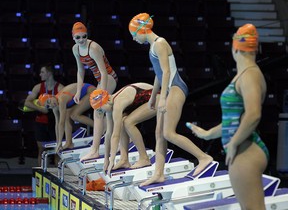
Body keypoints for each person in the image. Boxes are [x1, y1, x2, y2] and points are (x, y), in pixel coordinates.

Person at [188, 24, 269, 210]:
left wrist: (233, 144)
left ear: (235, 48)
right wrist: (208, 134)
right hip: (244, 147)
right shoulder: (245, 74)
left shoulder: (250, 75)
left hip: (245, 149)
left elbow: (254, 114)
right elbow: (234, 120)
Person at [128, 13, 213, 186]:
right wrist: (153, 97)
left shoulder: (160, 43)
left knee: (168, 133)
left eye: (134, 35)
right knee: (159, 133)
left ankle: (204, 158)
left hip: (175, 88)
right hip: (167, 89)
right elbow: (159, 75)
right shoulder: (153, 46)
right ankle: (158, 174)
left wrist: (163, 98)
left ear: (141, 30)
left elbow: (166, 72)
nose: (134, 39)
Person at [83, 82, 159, 175]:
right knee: (123, 122)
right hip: (144, 100)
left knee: (128, 123)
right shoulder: (109, 104)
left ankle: (144, 158)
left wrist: (112, 160)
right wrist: (106, 159)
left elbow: (115, 135)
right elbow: (108, 134)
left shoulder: (118, 103)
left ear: (106, 101)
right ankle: (124, 160)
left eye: (100, 109)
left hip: (157, 98)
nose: (101, 112)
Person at [71, 22, 118, 158]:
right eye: (78, 37)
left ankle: (95, 150)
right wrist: (78, 91)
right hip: (100, 80)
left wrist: (101, 93)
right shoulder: (76, 49)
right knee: (107, 112)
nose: (81, 40)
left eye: (84, 36)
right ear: (73, 37)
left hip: (108, 78)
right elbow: (80, 71)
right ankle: (120, 139)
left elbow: (103, 72)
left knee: (98, 110)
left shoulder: (94, 48)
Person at [38, 83, 96, 153]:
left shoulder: (61, 99)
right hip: (85, 93)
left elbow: (61, 123)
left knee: (74, 115)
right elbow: (57, 124)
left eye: (49, 101)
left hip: (91, 91)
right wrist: (57, 142)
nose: (51, 105)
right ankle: (69, 143)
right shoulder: (54, 106)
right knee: (68, 114)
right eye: (48, 106)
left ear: (52, 96)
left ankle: (100, 129)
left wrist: (60, 142)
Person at [24, 65, 64, 166]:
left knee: (57, 151)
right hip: (40, 122)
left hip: (55, 123)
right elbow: (27, 102)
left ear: (49, 73)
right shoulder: (38, 87)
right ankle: (41, 175)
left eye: (42, 72)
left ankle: (58, 176)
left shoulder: (60, 88)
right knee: (41, 150)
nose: (40, 74)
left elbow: (66, 105)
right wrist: (40, 109)